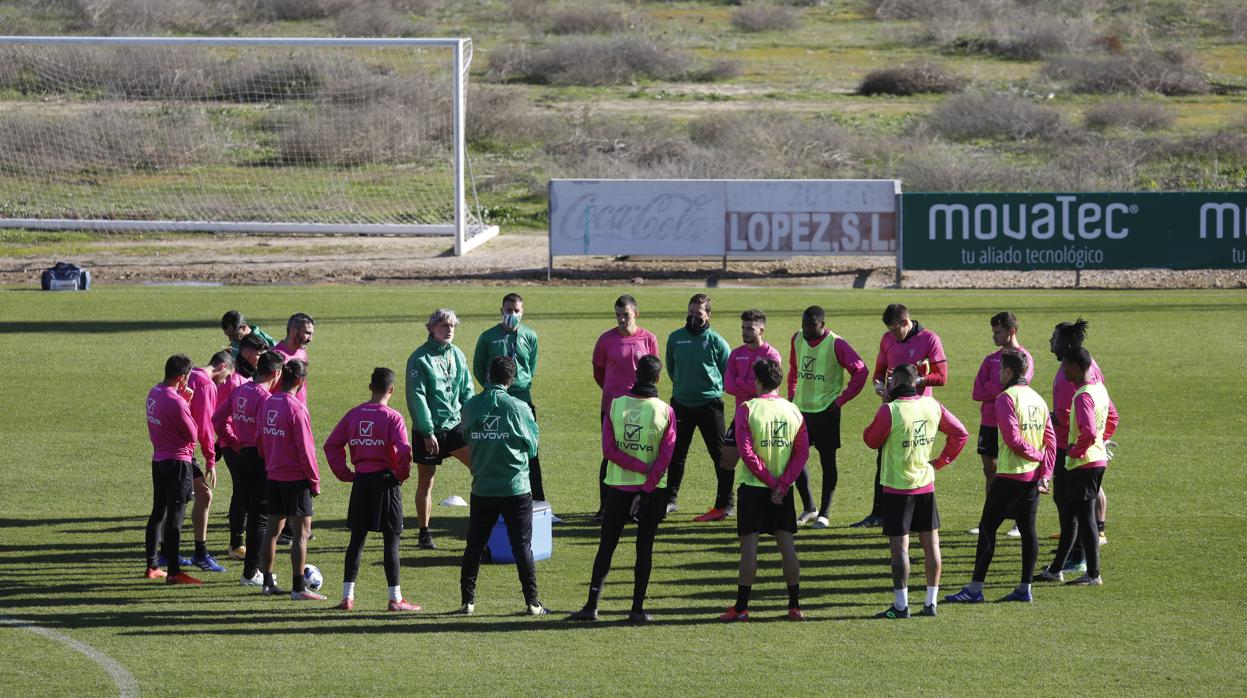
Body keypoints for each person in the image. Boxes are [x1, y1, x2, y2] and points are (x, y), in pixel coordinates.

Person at [569, 355, 675, 623]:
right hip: (653, 491)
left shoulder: (616, 406)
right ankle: (637, 609)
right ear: (659, 378)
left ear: (636, 374)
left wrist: (636, 467)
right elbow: (666, 456)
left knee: (607, 546)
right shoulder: (665, 411)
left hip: (618, 488)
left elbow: (609, 451)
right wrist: (647, 482)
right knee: (644, 548)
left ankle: (591, 606)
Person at [945, 350, 1054, 604]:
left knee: (987, 529)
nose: (998, 374)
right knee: (1029, 531)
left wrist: (1035, 456)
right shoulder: (1038, 399)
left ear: (1008, 371)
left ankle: (975, 589)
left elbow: (1014, 439)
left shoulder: (1006, 398)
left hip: (1010, 477)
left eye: (1000, 370)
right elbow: (1052, 439)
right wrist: (1045, 473)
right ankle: (1025, 588)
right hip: (1032, 479)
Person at [863, 364, 967, 619]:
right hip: (925, 484)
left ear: (897, 381)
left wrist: (884, 403)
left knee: (900, 549)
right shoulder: (932, 405)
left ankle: (901, 606)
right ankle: (931, 603)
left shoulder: (891, 410)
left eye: (889, 381)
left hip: (898, 488)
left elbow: (870, 440)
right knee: (931, 545)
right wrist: (939, 463)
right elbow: (960, 433)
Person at [719, 359, 809, 622]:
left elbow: (746, 452)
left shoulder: (747, 409)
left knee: (749, 546)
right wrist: (782, 484)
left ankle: (742, 608)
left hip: (755, 488)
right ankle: (794, 606)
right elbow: (801, 453)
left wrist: (770, 482)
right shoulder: (794, 411)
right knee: (787, 545)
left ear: (757, 380)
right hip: (783, 489)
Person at [324, 368, 419, 612]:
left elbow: (332, 445)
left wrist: (345, 474)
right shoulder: (393, 417)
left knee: (357, 539)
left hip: (362, 481)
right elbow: (405, 451)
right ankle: (395, 599)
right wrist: (401, 474)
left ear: (370, 387)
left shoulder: (354, 414)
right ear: (391, 390)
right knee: (391, 540)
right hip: (386, 482)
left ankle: (347, 597)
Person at [456, 356, 546, 616]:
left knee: (475, 544)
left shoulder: (471, 406)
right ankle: (532, 603)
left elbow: (466, 437)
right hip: (515, 487)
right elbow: (532, 447)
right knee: (522, 547)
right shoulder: (518, 407)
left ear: (487, 375)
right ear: (511, 379)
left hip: (483, 487)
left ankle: (467, 601)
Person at [854, 303, 949, 529]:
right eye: (890, 330)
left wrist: (914, 381)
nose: (893, 335)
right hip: (893, 409)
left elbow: (942, 377)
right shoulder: (887, 339)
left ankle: (916, 515)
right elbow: (879, 369)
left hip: (917, 411)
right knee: (884, 462)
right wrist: (878, 384)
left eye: (896, 329)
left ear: (906, 323)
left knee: (914, 462)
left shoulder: (930, 339)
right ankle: (878, 513)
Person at [1038, 347, 1118, 586]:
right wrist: (1100, 442)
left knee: (1084, 520)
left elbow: (1090, 431)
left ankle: (1093, 574)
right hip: (1094, 460)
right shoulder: (1099, 390)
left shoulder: (1083, 395)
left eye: (1065, 366)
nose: (1063, 371)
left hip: (1084, 463)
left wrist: (1076, 449)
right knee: (1071, 517)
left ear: (1075, 366)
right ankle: (1056, 569)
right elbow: (1113, 417)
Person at [786, 305, 869, 529]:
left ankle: (824, 513)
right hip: (801, 411)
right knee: (795, 459)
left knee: (827, 462)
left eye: (811, 325)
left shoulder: (836, 343)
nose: (806, 329)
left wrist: (841, 400)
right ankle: (809, 508)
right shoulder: (797, 338)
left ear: (822, 324)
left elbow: (861, 370)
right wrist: (792, 393)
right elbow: (794, 368)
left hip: (826, 413)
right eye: (803, 323)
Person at [473, 292, 551, 515]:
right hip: (496, 402)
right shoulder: (487, 337)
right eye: (509, 310)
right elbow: (479, 368)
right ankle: (497, 502)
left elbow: (530, 367)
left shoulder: (530, 336)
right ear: (501, 311)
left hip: (523, 400)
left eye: (517, 311)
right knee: (498, 449)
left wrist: (519, 387)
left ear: (522, 311)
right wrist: (495, 389)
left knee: (530, 452)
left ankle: (538, 504)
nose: (512, 314)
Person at [213, 351, 284, 587]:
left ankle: (252, 569)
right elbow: (266, 434)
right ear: (275, 373)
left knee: (250, 511)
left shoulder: (240, 390)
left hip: (243, 455)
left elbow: (217, 418)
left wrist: (234, 441)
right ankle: (251, 571)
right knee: (259, 518)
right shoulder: (266, 398)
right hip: (260, 459)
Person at [405, 308, 474, 550]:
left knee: (481, 469)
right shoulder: (419, 359)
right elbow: (417, 397)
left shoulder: (458, 354)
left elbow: (467, 389)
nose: (449, 330)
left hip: (456, 427)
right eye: (444, 325)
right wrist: (426, 431)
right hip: (429, 431)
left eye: (452, 326)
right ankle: (424, 532)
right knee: (426, 481)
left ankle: (480, 524)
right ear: (431, 328)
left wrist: (470, 418)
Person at [705, 309, 782, 523]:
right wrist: (750, 386)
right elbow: (728, 386)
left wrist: (742, 384)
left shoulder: (771, 355)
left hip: (765, 417)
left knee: (765, 463)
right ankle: (723, 507)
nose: (745, 332)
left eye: (750, 328)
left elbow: (769, 387)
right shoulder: (736, 354)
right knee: (726, 460)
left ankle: (774, 503)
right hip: (742, 416)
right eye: (743, 328)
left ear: (761, 329)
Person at [257, 359, 324, 600]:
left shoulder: (268, 403)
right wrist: (314, 481)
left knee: (272, 530)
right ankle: (298, 588)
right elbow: (306, 450)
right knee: (301, 534)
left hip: (273, 475)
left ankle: (267, 582)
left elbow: (260, 439)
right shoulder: (297, 408)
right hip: (295, 478)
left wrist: (271, 460)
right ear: (300, 381)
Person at [591, 295, 660, 522]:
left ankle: (637, 507)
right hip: (612, 409)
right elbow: (599, 373)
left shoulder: (649, 339)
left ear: (636, 314)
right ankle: (605, 508)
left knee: (639, 452)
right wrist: (614, 394)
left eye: (626, 315)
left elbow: (653, 373)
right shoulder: (605, 340)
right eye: (618, 315)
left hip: (641, 408)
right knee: (610, 455)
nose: (622, 319)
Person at [664, 293, 731, 517]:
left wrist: (706, 390)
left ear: (708, 315)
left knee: (720, 455)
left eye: (698, 314)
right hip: (681, 404)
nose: (693, 318)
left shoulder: (717, 341)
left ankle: (726, 502)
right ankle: (670, 499)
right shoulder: (675, 338)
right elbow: (672, 369)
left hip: (710, 405)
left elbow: (726, 370)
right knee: (676, 453)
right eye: (691, 313)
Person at [968, 312, 1034, 537]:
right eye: (993, 332)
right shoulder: (990, 359)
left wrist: (991, 389)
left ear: (1011, 331)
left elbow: (1018, 388)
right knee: (990, 471)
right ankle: (990, 519)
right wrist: (997, 389)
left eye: (998, 332)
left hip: (1013, 423)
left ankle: (1018, 522)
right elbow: (976, 391)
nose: (994, 336)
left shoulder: (1024, 357)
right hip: (989, 423)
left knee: (1015, 471)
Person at [144, 354, 203, 585]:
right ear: (181, 377)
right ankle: (175, 572)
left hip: (159, 459)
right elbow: (192, 434)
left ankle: (152, 565)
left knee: (158, 512)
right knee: (176, 518)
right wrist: (186, 403)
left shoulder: (154, 393)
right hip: (178, 463)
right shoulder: (176, 401)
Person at [184, 351, 236, 574]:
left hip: (172, 445)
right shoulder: (207, 385)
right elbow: (206, 427)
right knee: (203, 495)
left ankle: (168, 552)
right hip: (184, 450)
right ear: (223, 366)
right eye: (227, 375)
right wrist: (211, 460)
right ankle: (200, 554)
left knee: (177, 500)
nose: (225, 381)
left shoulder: (190, 374)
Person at [271, 313, 314, 405]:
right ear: (293, 330)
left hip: (300, 409)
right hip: (280, 411)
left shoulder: (302, 353)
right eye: (307, 333)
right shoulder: (275, 356)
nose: (310, 339)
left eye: (311, 334)